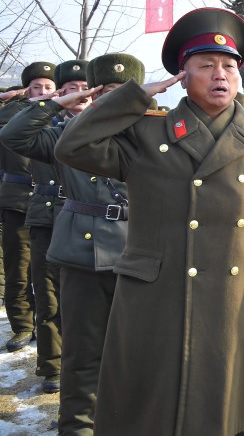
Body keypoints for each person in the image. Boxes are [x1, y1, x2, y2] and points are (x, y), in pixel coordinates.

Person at [53, 7, 244, 436]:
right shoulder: (147, 132)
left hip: (238, 296)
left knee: (231, 412)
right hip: (160, 298)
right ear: (183, 76)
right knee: (161, 410)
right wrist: (134, 96)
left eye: (229, 66)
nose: (220, 74)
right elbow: (71, 146)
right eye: (206, 66)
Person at [2, 54, 137, 435]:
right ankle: (77, 427)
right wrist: (56, 102)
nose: (108, 99)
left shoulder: (149, 134)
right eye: (102, 92)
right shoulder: (65, 132)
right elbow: (14, 136)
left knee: (135, 350)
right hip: (83, 251)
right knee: (82, 354)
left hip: (139, 253)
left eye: (118, 93)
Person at [5, 59, 89, 395]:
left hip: (90, 221)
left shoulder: (112, 126)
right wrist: (43, 104)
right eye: (69, 90)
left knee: (87, 303)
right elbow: (12, 134)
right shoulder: (43, 126)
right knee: (49, 296)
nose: (78, 96)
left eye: (85, 89)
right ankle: (53, 367)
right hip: (47, 215)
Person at [0, 61, 57, 351]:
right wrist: (18, 102)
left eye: (49, 87)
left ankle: (49, 327)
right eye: (37, 87)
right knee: (17, 268)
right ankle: (22, 325)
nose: (43, 91)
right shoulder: (11, 114)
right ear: (26, 89)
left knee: (46, 270)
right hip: (17, 200)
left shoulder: (61, 116)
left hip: (51, 203)